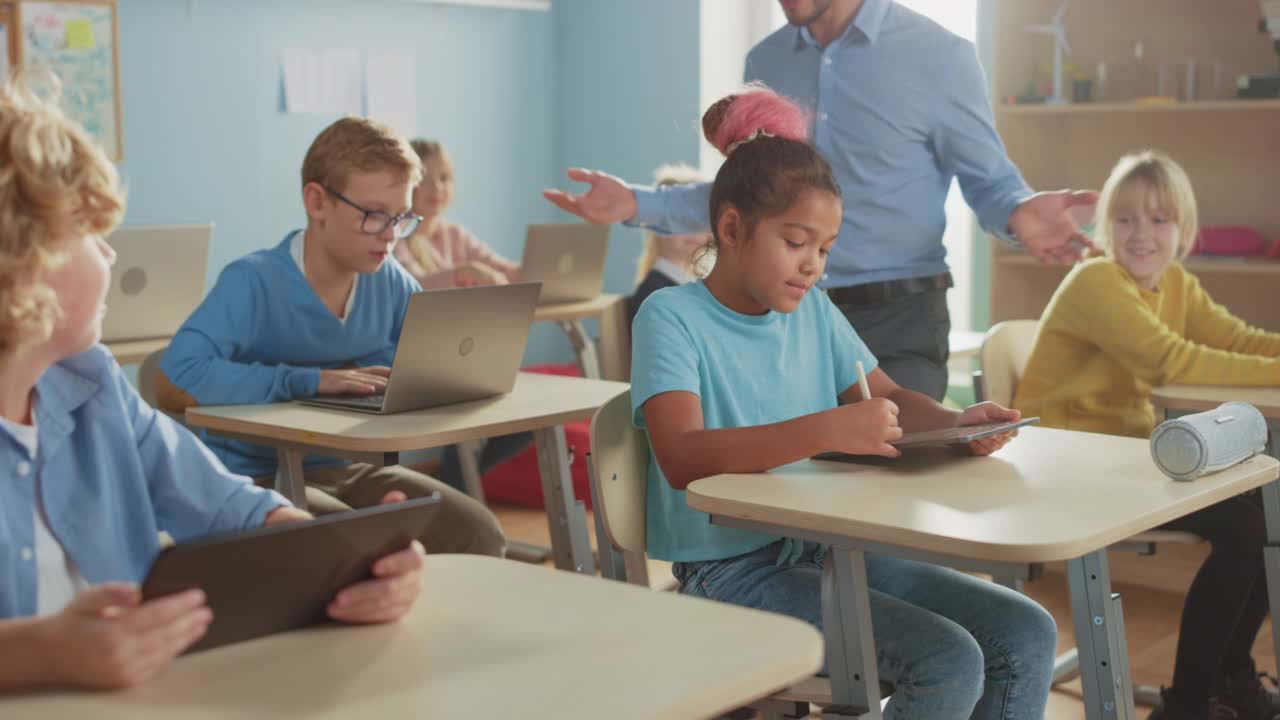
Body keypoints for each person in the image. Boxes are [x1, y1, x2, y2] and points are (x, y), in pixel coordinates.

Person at [632, 85, 1056, 719]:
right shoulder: (671, 317)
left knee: (1027, 631)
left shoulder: (813, 312)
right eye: (797, 241)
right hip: (727, 571)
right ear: (732, 228)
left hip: (827, 548)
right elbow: (682, 457)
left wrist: (954, 424)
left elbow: (882, 396)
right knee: (947, 661)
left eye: (825, 250)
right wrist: (826, 428)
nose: (812, 267)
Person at [0, 80, 424, 690]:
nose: (112, 257)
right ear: (23, 259)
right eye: (92, 235)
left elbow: (231, 507)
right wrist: (36, 655)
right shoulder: (253, 281)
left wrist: (345, 563)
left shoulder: (94, 387)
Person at [547, 0, 1098, 401]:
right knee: (802, 495)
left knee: (887, 497)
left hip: (899, 316)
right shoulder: (766, 60)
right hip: (788, 317)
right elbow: (751, 197)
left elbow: (991, 183)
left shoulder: (940, 56)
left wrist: (1019, 211)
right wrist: (634, 205)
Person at [159, 117, 505, 558]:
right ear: (317, 202)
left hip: (346, 472)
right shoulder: (253, 281)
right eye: (375, 216)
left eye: (401, 218)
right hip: (254, 480)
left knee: (477, 533)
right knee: (355, 546)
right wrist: (308, 381)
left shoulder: (390, 281)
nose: (391, 235)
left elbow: (433, 362)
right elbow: (171, 381)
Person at [1015, 151, 1280, 720]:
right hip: (1063, 469)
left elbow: (1239, 340)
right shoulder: (1096, 281)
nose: (1142, 234)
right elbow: (1169, 363)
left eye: (1159, 220)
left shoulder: (1175, 282)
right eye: (1127, 219)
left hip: (1125, 460)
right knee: (1247, 526)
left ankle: (1228, 678)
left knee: (1266, 512)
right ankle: (1185, 704)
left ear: (1184, 230)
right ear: (1105, 226)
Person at [392, 138, 520, 289]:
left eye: (444, 178)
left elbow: (503, 269)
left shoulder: (455, 234)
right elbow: (412, 286)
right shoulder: (395, 235)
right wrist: (463, 273)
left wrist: (537, 268)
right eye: (424, 178)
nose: (437, 187)